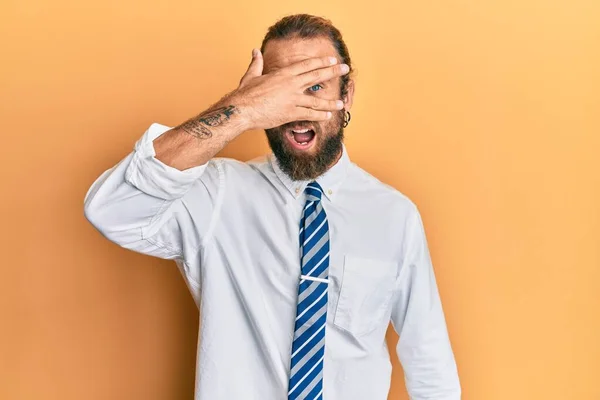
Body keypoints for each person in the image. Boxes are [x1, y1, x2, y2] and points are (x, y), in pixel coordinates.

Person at [84, 13, 461, 400]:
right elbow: (111, 209)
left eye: (314, 86)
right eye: (281, 91)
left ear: (346, 95)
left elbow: (428, 359)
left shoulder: (394, 215)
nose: (298, 109)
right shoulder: (216, 194)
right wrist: (241, 109)